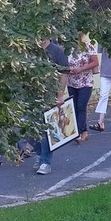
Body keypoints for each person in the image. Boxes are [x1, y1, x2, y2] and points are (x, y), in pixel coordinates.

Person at [34, 36, 70, 175]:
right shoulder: (32, 50)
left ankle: (45, 162)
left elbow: (63, 74)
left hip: (49, 95)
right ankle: (39, 154)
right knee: (30, 128)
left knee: (46, 129)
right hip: (31, 94)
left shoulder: (56, 51)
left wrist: (60, 95)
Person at [66, 35, 99, 142]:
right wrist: (68, 69)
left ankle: (83, 132)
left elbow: (95, 62)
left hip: (85, 82)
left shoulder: (88, 46)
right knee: (74, 107)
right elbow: (62, 62)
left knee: (81, 106)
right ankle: (77, 132)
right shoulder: (67, 48)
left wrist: (81, 68)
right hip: (71, 82)